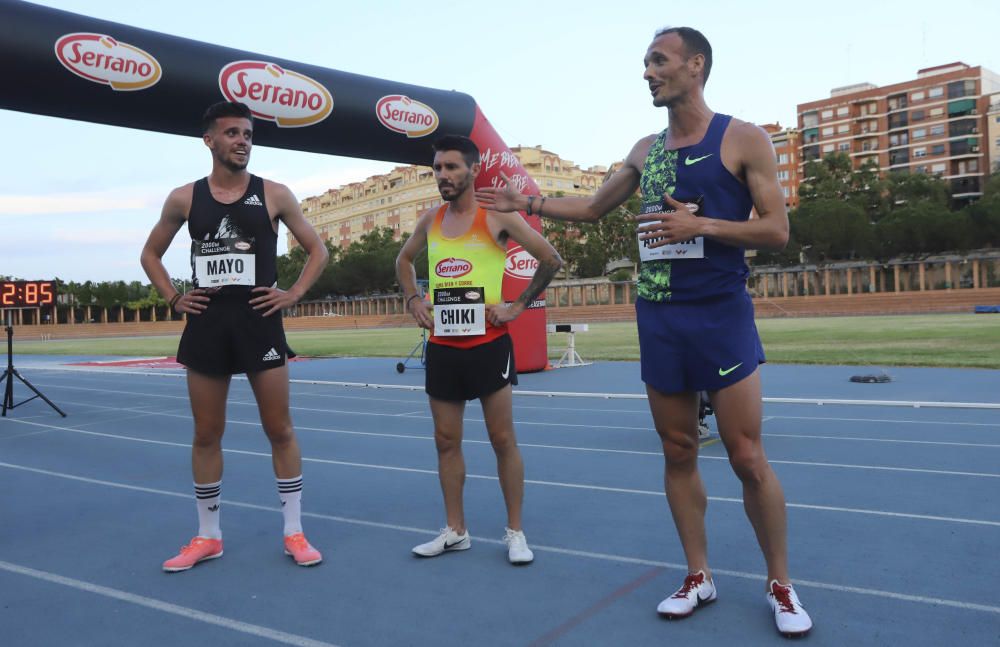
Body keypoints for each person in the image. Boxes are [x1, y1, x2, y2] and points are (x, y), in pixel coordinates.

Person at [475, 27, 812, 636]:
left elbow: (776, 231)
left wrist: (701, 226)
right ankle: (697, 574)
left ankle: (781, 584)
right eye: (646, 62)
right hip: (659, 317)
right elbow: (592, 208)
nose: (648, 72)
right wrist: (524, 202)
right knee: (678, 450)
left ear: (696, 66)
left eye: (659, 61)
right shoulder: (644, 149)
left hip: (720, 314)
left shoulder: (742, 138)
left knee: (746, 454)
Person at [140, 101, 330, 572]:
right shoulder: (184, 198)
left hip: (259, 324)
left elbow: (318, 250)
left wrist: (294, 293)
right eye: (232, 133)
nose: (242, 140)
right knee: (206, 433)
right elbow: (150, 254)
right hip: (206, 326)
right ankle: (208, 536)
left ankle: (294, 531)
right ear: (210, 140)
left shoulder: (275, 194)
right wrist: (173, 297)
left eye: (247, 133)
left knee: (279, 429)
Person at [396, 134, 562, 565]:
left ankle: (515, 532)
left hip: (489, 345)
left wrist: (517, 306)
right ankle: (455, 530)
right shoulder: (430, 220)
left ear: (472, 171)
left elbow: (551, 258)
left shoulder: (495, 218)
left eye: (451, 167)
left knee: (502, 439)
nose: (443, 176)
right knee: (445, 441)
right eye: (437, 169)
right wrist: (414, 300)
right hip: (444, 347)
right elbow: (403, 261)